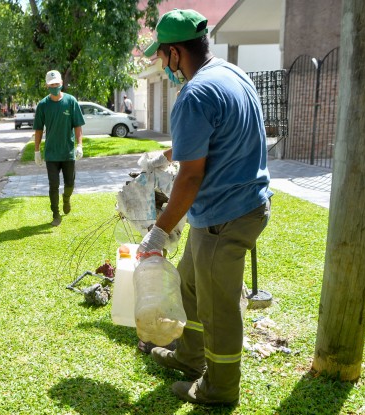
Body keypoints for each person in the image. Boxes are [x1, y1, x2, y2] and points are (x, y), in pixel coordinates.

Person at [138, 9, 272, 405]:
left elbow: (191, 177)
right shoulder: (231, 74)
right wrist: (164, 155)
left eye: (162, 56)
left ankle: (220, 388)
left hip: (224, 217)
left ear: (176, 53)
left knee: (219, 310)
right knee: (189, 285)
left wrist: (159, 231)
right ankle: (190, 357)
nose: (162, 65)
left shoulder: (194, 94)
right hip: (241, 206)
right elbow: (212, 139)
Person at [33, 70, 85, 227]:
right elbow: (38, 130)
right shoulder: (43, 105)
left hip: (68, 152)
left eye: (56, 84)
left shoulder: (71, 101)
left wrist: (80, 145)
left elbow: (77, 125)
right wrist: (36, 151)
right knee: (53, 185)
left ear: (61, 84)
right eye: (51, 85)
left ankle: (67, 198)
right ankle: (55, 213)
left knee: (70, 183)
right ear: (47, 86)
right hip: (51, 153)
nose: (54, 87)